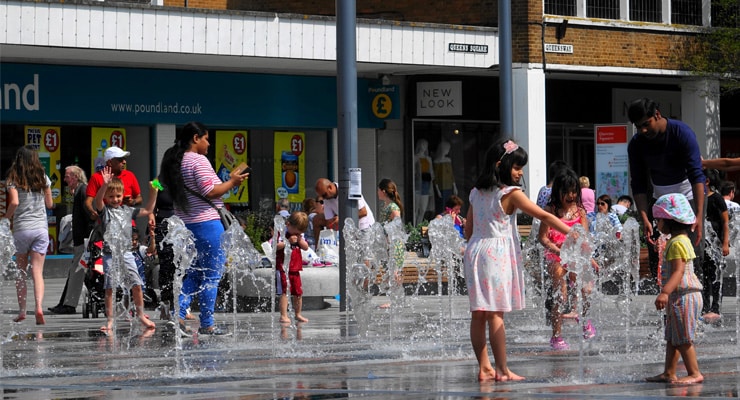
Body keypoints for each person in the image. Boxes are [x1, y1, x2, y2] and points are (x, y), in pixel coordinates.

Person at [463, 139, 572, 382]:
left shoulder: (476, 192)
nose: (520, 172)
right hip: (495, 255)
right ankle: (502, 370)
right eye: (516, 167)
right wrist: (572, 233)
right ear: (501, 165)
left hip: (475, 252)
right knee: (495, 314)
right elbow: (543, 214)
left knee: (478, 314)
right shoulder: (510, 194)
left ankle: (484, 368)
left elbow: (469, 230)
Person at [159, 121, 249, 336]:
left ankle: (178, 314)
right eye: (207, 138)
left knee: (193, 274)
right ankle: (207, 323)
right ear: (196, 138)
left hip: (186, 225)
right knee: (211, 276)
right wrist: (233, 181)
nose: (209, 143)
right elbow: (211, 191)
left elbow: (158, 185)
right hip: (207, 224)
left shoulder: (175, 161)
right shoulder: (198, 160)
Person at [627, 98, 705, 264]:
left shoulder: (681, 132)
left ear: (657, 114)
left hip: (687, 198)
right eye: (638, 126)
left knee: (690, 254)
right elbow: (638, 183)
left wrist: (698, 214)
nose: (643, 130)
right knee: (658, 255)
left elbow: (696, 175)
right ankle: (663, 288)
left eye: (646, 124)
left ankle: (693, 288)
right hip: (659, 199)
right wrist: (645, 219)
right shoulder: (636, 144)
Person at [646, 193, 704, 385]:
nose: (657, 224)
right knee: (673, 336)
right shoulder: (680, 240)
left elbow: (678, 271)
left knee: (684, 338)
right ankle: (669, 372)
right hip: (681, 295)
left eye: (658, 220)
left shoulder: (677, 243)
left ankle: (694, 373)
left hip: (683, 295)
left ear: (669, 220)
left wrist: (664, 292)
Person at [93, 167, 158, 334]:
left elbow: (149, 209)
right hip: (110, 254)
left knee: (136, 284)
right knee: (110, 288)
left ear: (123, 196)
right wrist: (104, 185)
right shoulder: (105, 212)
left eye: (118, 196)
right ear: (107, 198)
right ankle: (110, 320)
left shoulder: (128, 211)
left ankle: (141, 314)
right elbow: (96, 202)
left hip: (127, 253)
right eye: (111, 196)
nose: (115, 199)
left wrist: (154, 191)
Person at [538, 168, 597, 350]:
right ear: (558, 192)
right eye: (567, 191)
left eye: (574, 191)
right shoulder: (550, 210)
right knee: (561, 296)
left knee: (587, 288)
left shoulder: (580, 211)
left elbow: (584, 238)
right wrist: (556, 250)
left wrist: (590, 259)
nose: (571, 195)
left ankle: (583, 318)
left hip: (576, 255)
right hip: (556, 255)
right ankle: (556, 336)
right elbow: (543, 237)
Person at [4, 145, 53, 325]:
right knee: (37, 272)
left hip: (22, 230)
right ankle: (39, 307)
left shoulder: (13, 178)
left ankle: (23, 311)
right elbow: (49, 204)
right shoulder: (44, 178)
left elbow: (15, 202)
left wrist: (5, 218)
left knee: (21, 272)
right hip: (40, 229)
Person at [49, 165, 93, 315]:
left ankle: (69, 305)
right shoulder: (80, 191)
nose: (65, 179)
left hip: (84, 240)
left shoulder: (83, 190)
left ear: (75, 177)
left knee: (78, 271)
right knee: (75, 271)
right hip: (82, 239)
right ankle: (65, 302)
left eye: (67, 176)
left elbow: (89, 215)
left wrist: (89, 238)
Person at [700, 169, 730, 323]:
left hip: (716, 244)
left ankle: (716, 307)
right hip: (702, 245)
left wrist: (725, 243)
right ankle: (705, 306)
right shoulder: (698, 198)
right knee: (703, 277)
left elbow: (725, 222)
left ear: (707, 181)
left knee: (716, 276)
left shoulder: (717, 198)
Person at [85, 146, 142, 222]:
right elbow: (88, 201)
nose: (124, 162)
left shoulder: (130, 175)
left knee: (135, 234)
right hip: (106, 224)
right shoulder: (96, 177)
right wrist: (92, 212)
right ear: (110, 162)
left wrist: (133, 202)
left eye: (124, 159)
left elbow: (140, 198)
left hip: (127, 225)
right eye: (120, 159)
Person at [274, 211, 310, 323]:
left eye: (300, 233)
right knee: (284, 292)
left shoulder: (299, 235)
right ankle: (283, 315)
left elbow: (306, 247)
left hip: (295, 268)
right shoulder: (281, 233)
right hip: (283, 267)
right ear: (288, 225)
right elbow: (275, 247)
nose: (297, 234)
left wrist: (299, 240)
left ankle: (298, 313)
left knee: (298, 292)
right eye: (296, 232)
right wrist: (288, 242)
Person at [148, 182, 176, 321]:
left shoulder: (186, 179)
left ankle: (182, 307)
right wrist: (151, 215)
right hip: (163, 226)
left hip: (181, 225)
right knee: (166, 267)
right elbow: (151, 205)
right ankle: (165, 304)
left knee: (182, 266)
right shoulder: (157, 182)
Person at [414, 139, 435, 224]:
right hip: (417, 184)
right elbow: (413, 171)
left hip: (426, 184)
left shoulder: (428, 159)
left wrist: (431, 177)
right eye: (422, 145)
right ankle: (414, 227)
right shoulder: (415, 157)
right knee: (416, 209)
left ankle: (419, 227)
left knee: (423, 209)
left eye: (425, 145)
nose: (424, 147)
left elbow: (431, 172)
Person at [433, 139, 457, 214]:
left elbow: (451, 174)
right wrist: (437, 190)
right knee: (441, 205)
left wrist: (454, 186)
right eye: (447, 149)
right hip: (441, 187)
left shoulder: (448, 160)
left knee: (449, 205)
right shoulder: (437, 161)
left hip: (449, 187)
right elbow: (435, 176)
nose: (448, 151)